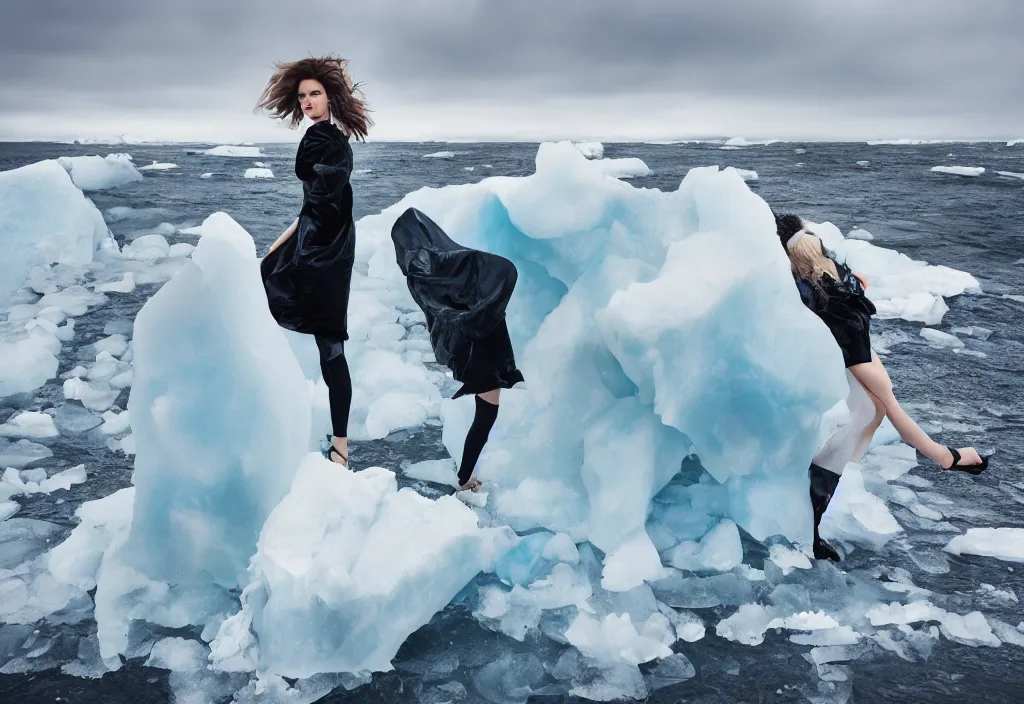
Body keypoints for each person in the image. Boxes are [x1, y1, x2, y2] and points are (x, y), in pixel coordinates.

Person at [775, 213, 989, 561]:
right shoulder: (832, 270)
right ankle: (946, 457)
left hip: (856, 354)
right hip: (859, 354)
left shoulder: (805, 282)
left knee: (873, 414)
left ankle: (817, 496)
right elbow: (861, 282)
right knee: (882, 408)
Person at [257, 56, 371, 469]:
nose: (307, 100)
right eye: (303, 95)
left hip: (325, 249)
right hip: (324, 241)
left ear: (329, 97)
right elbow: (316, 201)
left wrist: (300, 243)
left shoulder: (327, 140)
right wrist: (282, 241)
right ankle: (339, 446)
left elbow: (327, 194)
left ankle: (340, 447)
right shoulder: (326, 136)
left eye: (314, 94)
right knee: (327, 343)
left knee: (328, 344)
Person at [391, 208, 525, 492]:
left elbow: (436, 309)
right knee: (486, 415)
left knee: (486, 414)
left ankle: (465, 476)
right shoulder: (451, 262)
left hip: (479, 339)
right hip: (483, 342)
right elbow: (493, 269)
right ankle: (464, 479)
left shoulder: (428, 271)